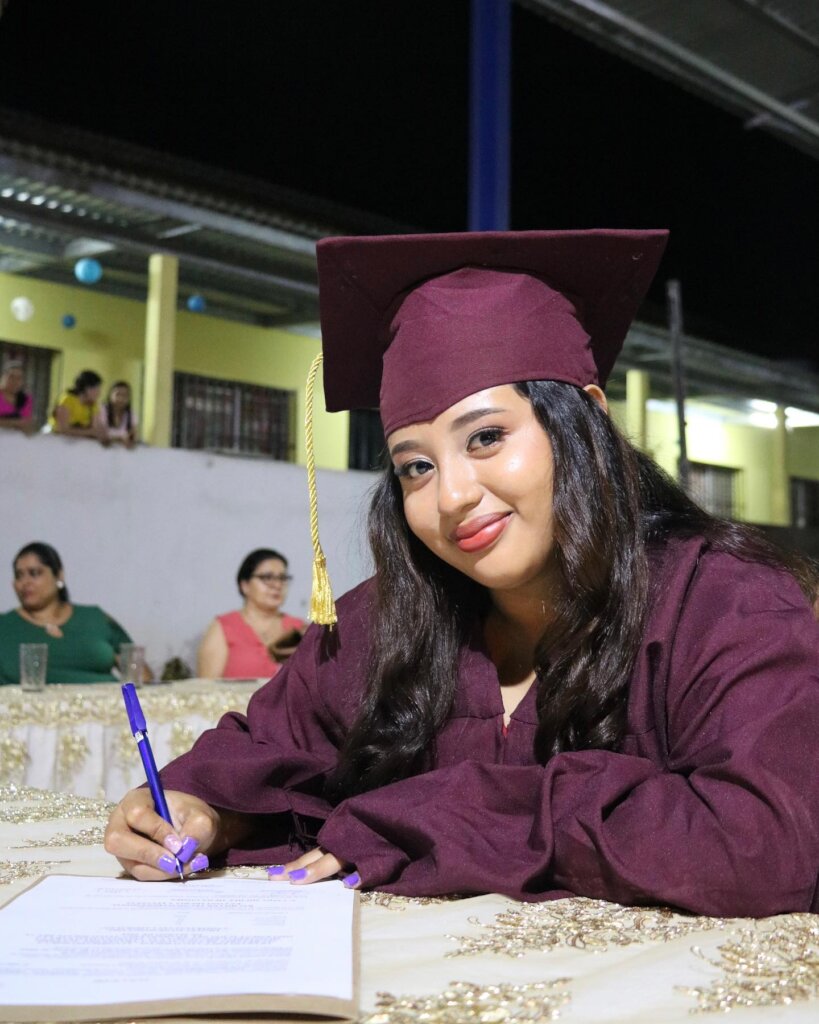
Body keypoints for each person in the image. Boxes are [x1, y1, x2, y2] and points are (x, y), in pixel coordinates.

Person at [104, 230, 819, 918]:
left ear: (588, 422)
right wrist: (199, 808)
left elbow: (763, 842)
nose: (450, 496)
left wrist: (449, 812)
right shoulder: (379, 625)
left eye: (486, 437)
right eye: (416, 466)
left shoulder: (723, 604)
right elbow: (269, 754)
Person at [0, 542, 132, 684]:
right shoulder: (5, 626)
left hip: (109, 697)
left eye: (35, 573)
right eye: (19, 576)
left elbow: (140, 676)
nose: (25, 582)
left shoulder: (95, 619)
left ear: (59, 576)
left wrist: (134, 696)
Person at [196, 549, 305, 679]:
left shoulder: (300, 629)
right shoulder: (223, 628)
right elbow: (206, 687)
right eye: (267, 577)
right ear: (245, 585)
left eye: (282, 578)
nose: (277, 585)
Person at [48, 370, 103, 439]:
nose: (99, 392)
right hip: (56, 439)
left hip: (79, 442)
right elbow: (62, 429)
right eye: (96, 388)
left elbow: (95, 429)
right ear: (86, 388)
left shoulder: (93, 405)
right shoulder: (67, 400)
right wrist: (90, 432)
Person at [97, 380, 139, 447]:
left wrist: (130, 439)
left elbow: (133, 436)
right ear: (110, 395)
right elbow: (102, 435)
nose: (121, 398)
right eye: (117, 394)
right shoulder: (101, 410)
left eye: (125, 395)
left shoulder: (131, 414)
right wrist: (120, 438)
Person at [0, 360, 36, 434]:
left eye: (19, 378)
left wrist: (6, 422)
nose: (15, 381)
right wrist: (16, 422)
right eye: (11, 377)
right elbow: (21, 422)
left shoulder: (26, 399)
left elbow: (27, 425)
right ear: (3, 377)